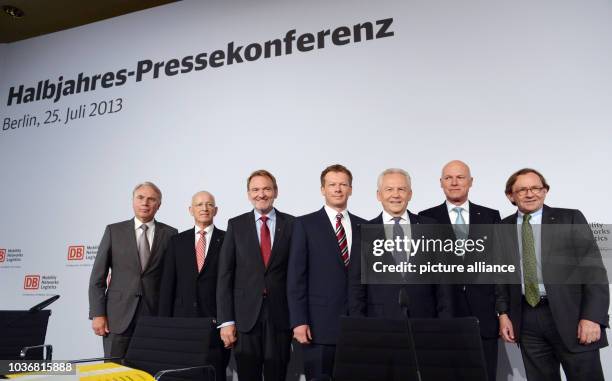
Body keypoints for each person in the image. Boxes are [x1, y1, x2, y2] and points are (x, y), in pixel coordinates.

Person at [496, 168, 609, 381]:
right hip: (527, 319)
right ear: (511, 195)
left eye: (536, 188)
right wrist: (503, 314)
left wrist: (593, 317)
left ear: (545, 191)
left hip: (573, 317)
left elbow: (594, 271)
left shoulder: (570, 218)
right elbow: (502, 275)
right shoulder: (503, 227)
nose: (530, 194)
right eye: (522, 190)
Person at [419, 160, 500, 381]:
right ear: (441, 183)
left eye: (460, 177)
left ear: (471, 182)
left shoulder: (491, 217)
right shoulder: (425, 219)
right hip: (443, 314)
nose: (454, 182)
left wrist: (502, 312)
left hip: (484, 314)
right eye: (448, 178)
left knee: (485, 375)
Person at [288, 164, 367, 380]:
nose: (338, 189)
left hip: (357, 325)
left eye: (343, 184)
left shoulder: (365, 226)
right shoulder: (304, 224)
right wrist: (299, 321)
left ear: (351, 189)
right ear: (323, 189)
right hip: (318, 326)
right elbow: (296, 278)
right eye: (332, 184)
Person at [216, 170, 295, 381]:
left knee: (277, 375)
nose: (261, 194)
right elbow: (225, 275)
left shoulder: (293, 225)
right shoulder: (236, 225)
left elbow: (297, 274)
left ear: (275, 192)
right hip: (245, 318)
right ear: (248, 194)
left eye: (267, 189)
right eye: (255, 189)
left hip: (281, 316)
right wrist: (226, 321)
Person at [89, 181, 178, 358]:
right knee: (114, 373)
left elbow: (173, 280)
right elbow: (97, 278)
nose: (145, 203)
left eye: (151, 199)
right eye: (140, 198)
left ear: (158, 205)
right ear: (133, 201)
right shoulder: (114, 231)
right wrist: (98, 314)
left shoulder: (170, 234)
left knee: (149, 371)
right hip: (117, 317)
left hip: (154, 317)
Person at [350, 168, 452, 319]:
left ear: (410, 194)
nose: (396, 195)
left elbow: (443, 283)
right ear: (379, 195)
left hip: (425, 321)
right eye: (389, 189)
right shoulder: (364, 232)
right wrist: (358, 326)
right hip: (379, 322)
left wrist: (445, 322)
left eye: (401, 189)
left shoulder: (430, 227)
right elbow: (356, 285)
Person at [158, 191, 229, 380]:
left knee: (215, 374)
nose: (204, 208)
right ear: (191, 210)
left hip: (216, 324)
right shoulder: (177, 241)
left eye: (208, 204)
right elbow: (167, 286)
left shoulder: (229, 239)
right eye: (199, 205)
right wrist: (164, 326)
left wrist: (228, 320)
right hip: (182, 325)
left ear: (216, 210)